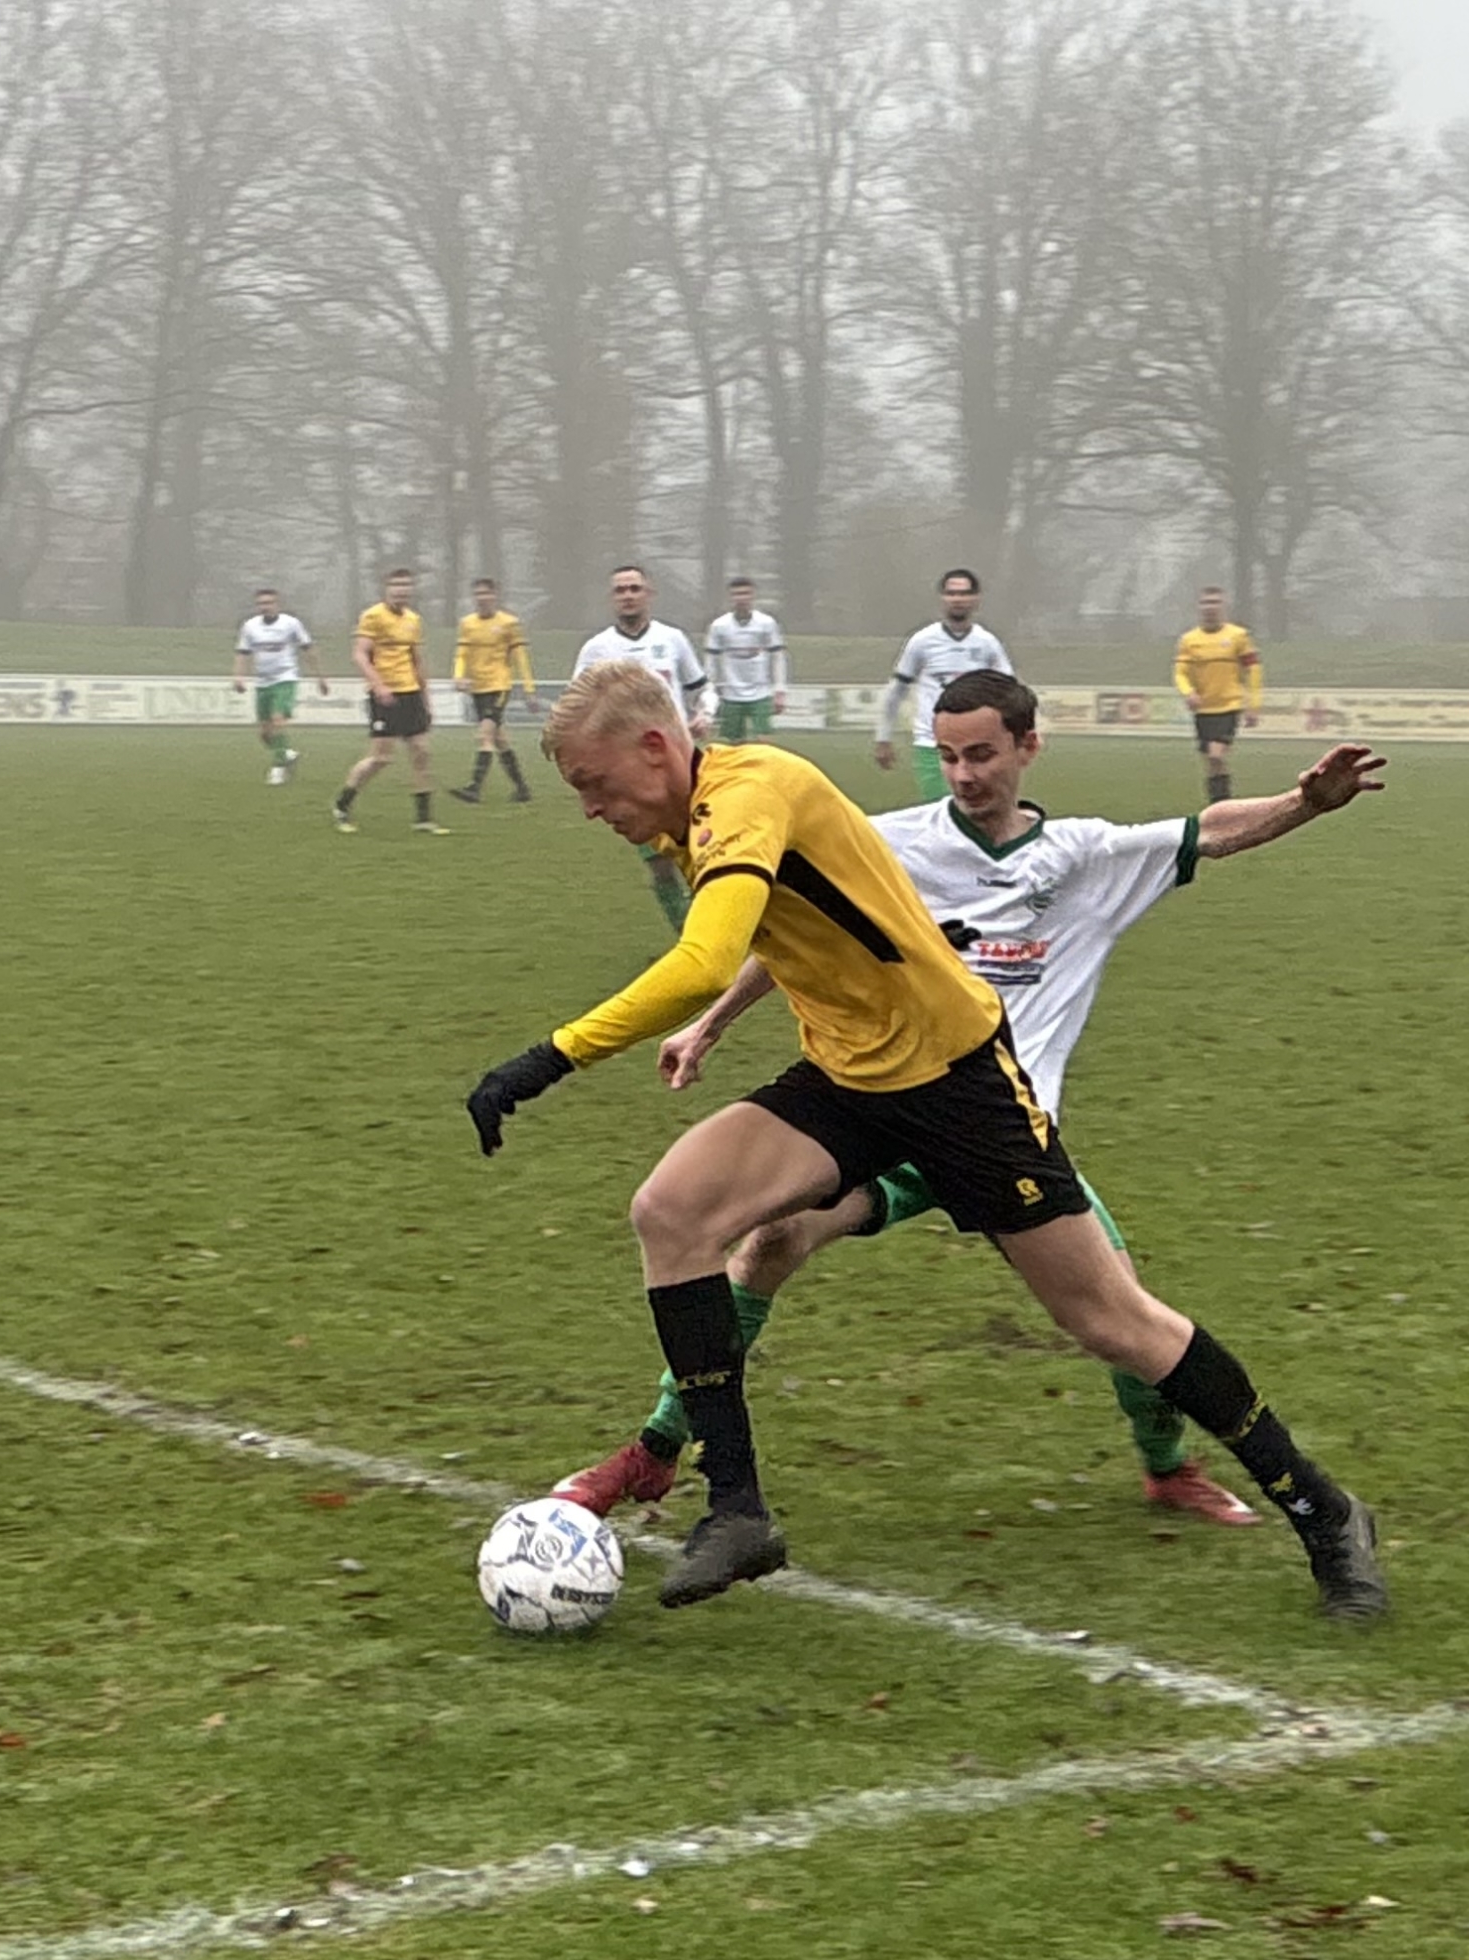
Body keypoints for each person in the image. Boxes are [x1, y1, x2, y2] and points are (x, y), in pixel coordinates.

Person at [466, 662, 1388, 1620]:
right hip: (852, 1084)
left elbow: (702, 958)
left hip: (961, 1088)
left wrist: (546, 1060)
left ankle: (1325, 1510)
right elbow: (782, 940)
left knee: (1114, 1322)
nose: (588, 807)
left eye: (593, 783)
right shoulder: (707, 814)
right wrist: (716, 1031)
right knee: (674, 1211)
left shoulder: (747, 795)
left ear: (657, 749)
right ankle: (735, 1508)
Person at [573, 564, 712, 927]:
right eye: (620, 590)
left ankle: (714, 932)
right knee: (660, 862)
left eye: (634, 588)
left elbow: (703, 688)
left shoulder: (673, 639)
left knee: (705, 851)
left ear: (648, 594)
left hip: (682, 762)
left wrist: (705, 713)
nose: (628, 595)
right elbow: (577, 706)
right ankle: (688, 937)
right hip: (632, 771)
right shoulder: (597, 648)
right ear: (612, 599)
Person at [873, 568, 1013, 802]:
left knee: (977, 814)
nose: (957, 599)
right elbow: (896, 691)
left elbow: (1008, 692)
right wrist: (883, 738)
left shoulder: (987, 643)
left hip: (976, 745)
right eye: (951, 593)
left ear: (975, 599)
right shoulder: (922, 641)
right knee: (942, 812)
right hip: (933, 744)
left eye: (964, 593)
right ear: (942, 598)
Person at [333, 566, 447, 834]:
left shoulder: (413, 620)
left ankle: (423, 819)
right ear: (387, 588)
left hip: (411, 695)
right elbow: (360, 655)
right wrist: (379, 686)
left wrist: (426, 697)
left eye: (406, 586)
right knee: (381, 758)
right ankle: (342, 804)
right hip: (384, 696)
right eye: (396, 586)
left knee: (421, 753)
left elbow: (417, 660)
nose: (401, 591)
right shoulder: (373, 616)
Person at [448, 577, 535, 805]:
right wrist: (458, 676)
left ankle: (474, 789)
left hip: (499, 686)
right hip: (477, 688)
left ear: (495, 595)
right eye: (478, 594)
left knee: (484, 735)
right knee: (500, 740)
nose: (482, 598)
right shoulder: (468, 624)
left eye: (486, 593)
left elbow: (520, 657)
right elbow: (462, 654)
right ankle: (522, 789)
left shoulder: (508, 623)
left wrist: (528, 688)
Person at [1173, 586, 1262, 802]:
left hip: (1229, 706)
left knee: (1215, 755)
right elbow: (1180, 673)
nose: (1210, 607)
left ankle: (1222, 807)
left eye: (1215, 602)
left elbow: (1253, 669)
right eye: (1206, 603)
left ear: (1223, 607)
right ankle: (1220, 805)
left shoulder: (1238, 636)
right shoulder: (1189, 640)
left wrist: (1253, 704)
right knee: (1212, 763)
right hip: (1203, 709)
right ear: (1199, 607)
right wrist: (1189, 692)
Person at [232, 589, 311, 783]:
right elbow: (243, 652)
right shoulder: (250, 626)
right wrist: (239, 677)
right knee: (265, 734)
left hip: (285, 678)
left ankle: (278, 767)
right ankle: (288, 754)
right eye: (261, 603)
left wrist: (321, 677)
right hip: (262, 682)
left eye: (269, 603)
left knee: (278, 719)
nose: (265, 607)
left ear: (277, 604)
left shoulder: (291, 624)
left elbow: (308, 647)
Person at [703, 576, 788, 744]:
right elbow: (710, 660)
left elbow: (778, 656)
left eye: (745, 593)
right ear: (730, 597)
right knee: (734, 746)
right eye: (737, 594)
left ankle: (763, 770)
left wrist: (779, 689)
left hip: (761, 692)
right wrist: (709, 689)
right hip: (731, 694)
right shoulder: (719, 626)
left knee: (765, 742)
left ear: (753, 595)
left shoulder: (766, 623)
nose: (741, 598)